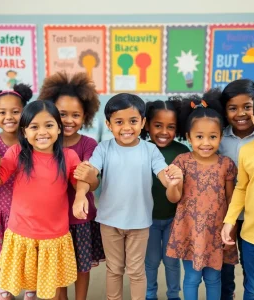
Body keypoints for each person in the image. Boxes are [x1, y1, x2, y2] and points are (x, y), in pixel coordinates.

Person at [73, 93, 183, 300]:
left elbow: (164, 176)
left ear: (142, 122)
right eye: (119, 122)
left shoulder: (150, 150)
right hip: (109, 221)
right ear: (108, 124)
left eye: (133, 121)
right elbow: (87, 173)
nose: (126, 128)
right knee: (114, 270)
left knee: (136, 271)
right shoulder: (103, 149)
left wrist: (173, 181)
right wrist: (80, 196)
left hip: (139, 223)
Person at [0, 100, 90, 300]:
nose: (42, 132)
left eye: (48, 125)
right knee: (23, 286)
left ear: (58, 128)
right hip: (22, 234)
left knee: (54, 290)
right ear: (24, 131)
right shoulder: (17, 153)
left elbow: (81, 179)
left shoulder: (69, 156)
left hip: (54, 237)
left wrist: (81, 196)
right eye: (34, 127)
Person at [166, 90, 238, 300]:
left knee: (214, 278)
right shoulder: (181, 162)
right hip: (189, 230)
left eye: (212, 137)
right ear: (188, 137)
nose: (206, 142)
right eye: (199, 137)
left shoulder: (226, 164)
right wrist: (174, 182)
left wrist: (230, 227)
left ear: (221, 136)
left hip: (217, 231)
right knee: (192, 278)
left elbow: (231, 199)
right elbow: (173, 197)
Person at [38, 71, 104, 300]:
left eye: (76, 114)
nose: (68, 120)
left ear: (85, 115)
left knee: (81, 266)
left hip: (81, 219)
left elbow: (92, 181)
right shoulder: (44, 142)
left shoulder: (88, 144)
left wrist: (87, 183)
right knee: (57, 267)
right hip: (51, 221)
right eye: (62, 113)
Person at [222, 86, 254, 300]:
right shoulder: (248, 151)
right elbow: (241, 188)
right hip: (252, 237)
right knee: (253, 288)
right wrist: (229, 220)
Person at [140, 97, 189, 300]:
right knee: (150, 262)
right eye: (158, 125)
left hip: (174, 220)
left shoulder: (182, 152)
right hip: (147, 220)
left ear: (178, 128)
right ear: (147, 125)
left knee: (171, 261)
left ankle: (173, 296)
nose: (163, 132)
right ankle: (150, 294)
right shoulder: (140, 149)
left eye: (171, 127)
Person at [219, 79, 254, 300]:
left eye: (247, 106)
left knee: (251, 266)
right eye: (233, 108)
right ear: (225, 111)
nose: (241, 113)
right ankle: (228, 295)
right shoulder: (219, 138)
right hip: (225, 215)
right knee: (224, 266)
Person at [0, 85, 32, 271]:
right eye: (2, 112)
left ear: (25, 113)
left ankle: (30, 288)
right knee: (3, 252)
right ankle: (4, 289)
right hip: (0, 209)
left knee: (28, 251)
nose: (9, 117)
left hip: (27, 209)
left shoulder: (31, 140)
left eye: (15, 112)